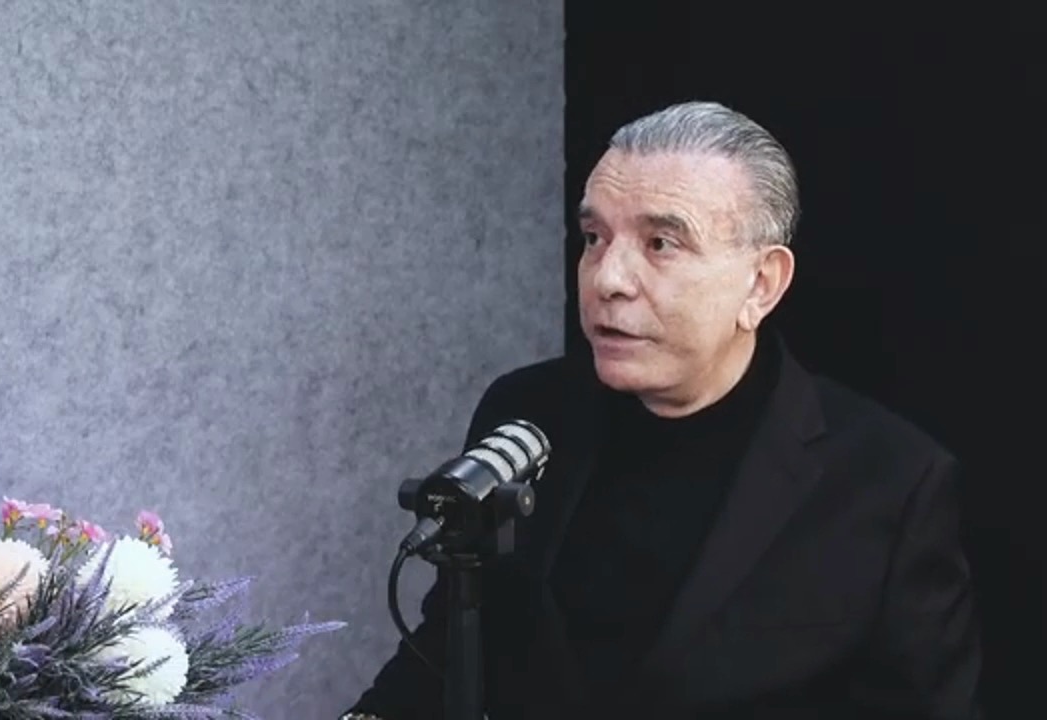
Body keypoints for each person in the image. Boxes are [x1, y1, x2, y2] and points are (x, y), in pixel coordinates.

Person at [341, 101, 984, 719]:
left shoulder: (891, 482)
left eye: (660, 244)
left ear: (761, 284)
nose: (607, 279)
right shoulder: (528, 410)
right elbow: (453, 643)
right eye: (594, 237)